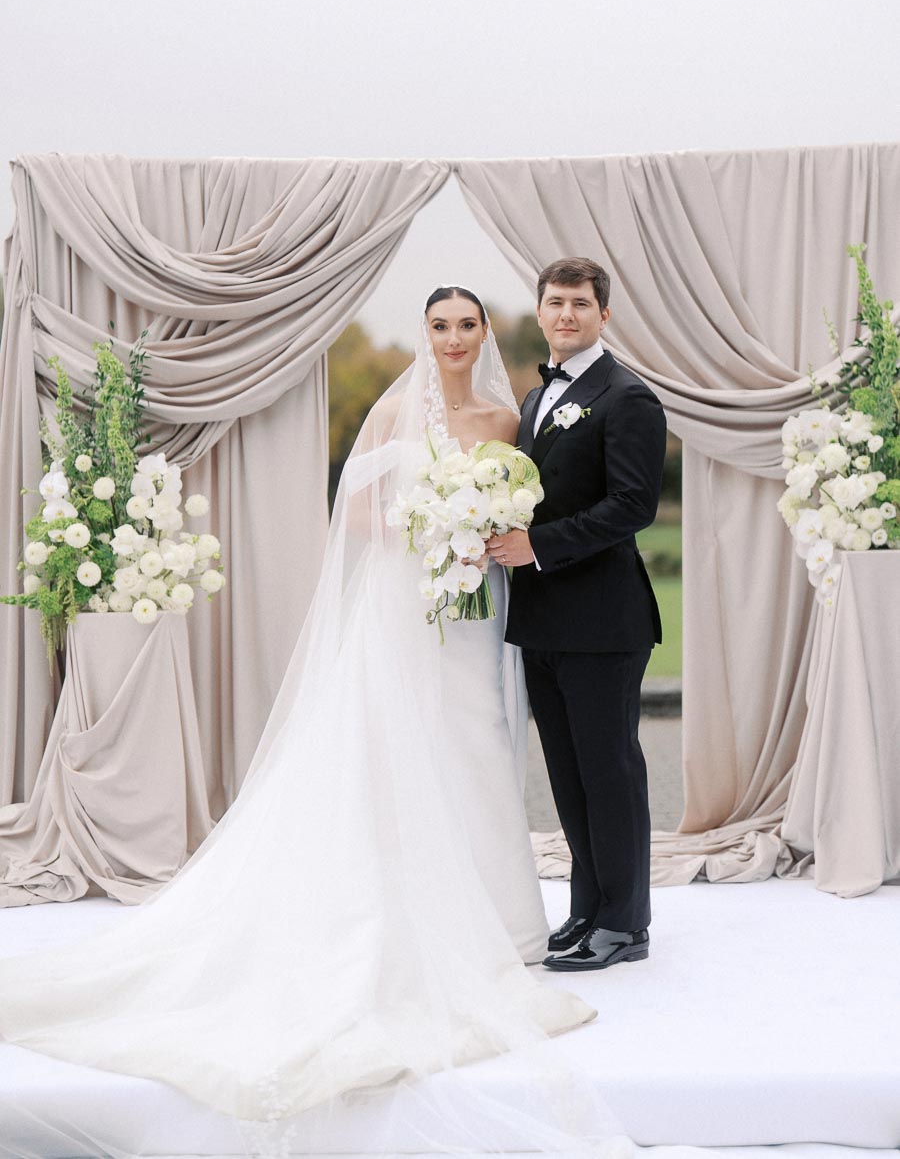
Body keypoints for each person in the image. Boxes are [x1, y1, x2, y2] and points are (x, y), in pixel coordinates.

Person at [0, 286, 596, 1144]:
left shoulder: (507, 421)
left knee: (480, 738)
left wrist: (484, 532)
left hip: (476, 616)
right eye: (440, 326)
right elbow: (355, 507)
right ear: (426, 334)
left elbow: (525, 508)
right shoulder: (394, 410)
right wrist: (431, 528)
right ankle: (411, 909)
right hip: (409, 605)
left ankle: (500, 919)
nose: (455, 338)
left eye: (467, 325)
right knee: (411, 745)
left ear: (482, 335)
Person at [487, 258, 666, 973]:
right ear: (540, 312)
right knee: (568, 775)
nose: (567, 315)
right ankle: (587, 909)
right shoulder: (536, 397)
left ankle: (626, 924)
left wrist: (536, 546)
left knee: (609, 772)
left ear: (604, 315)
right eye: (556, 303)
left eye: (581, 304)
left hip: (604, 622)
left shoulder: (628, 397)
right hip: (543, 619)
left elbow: (634, 506)